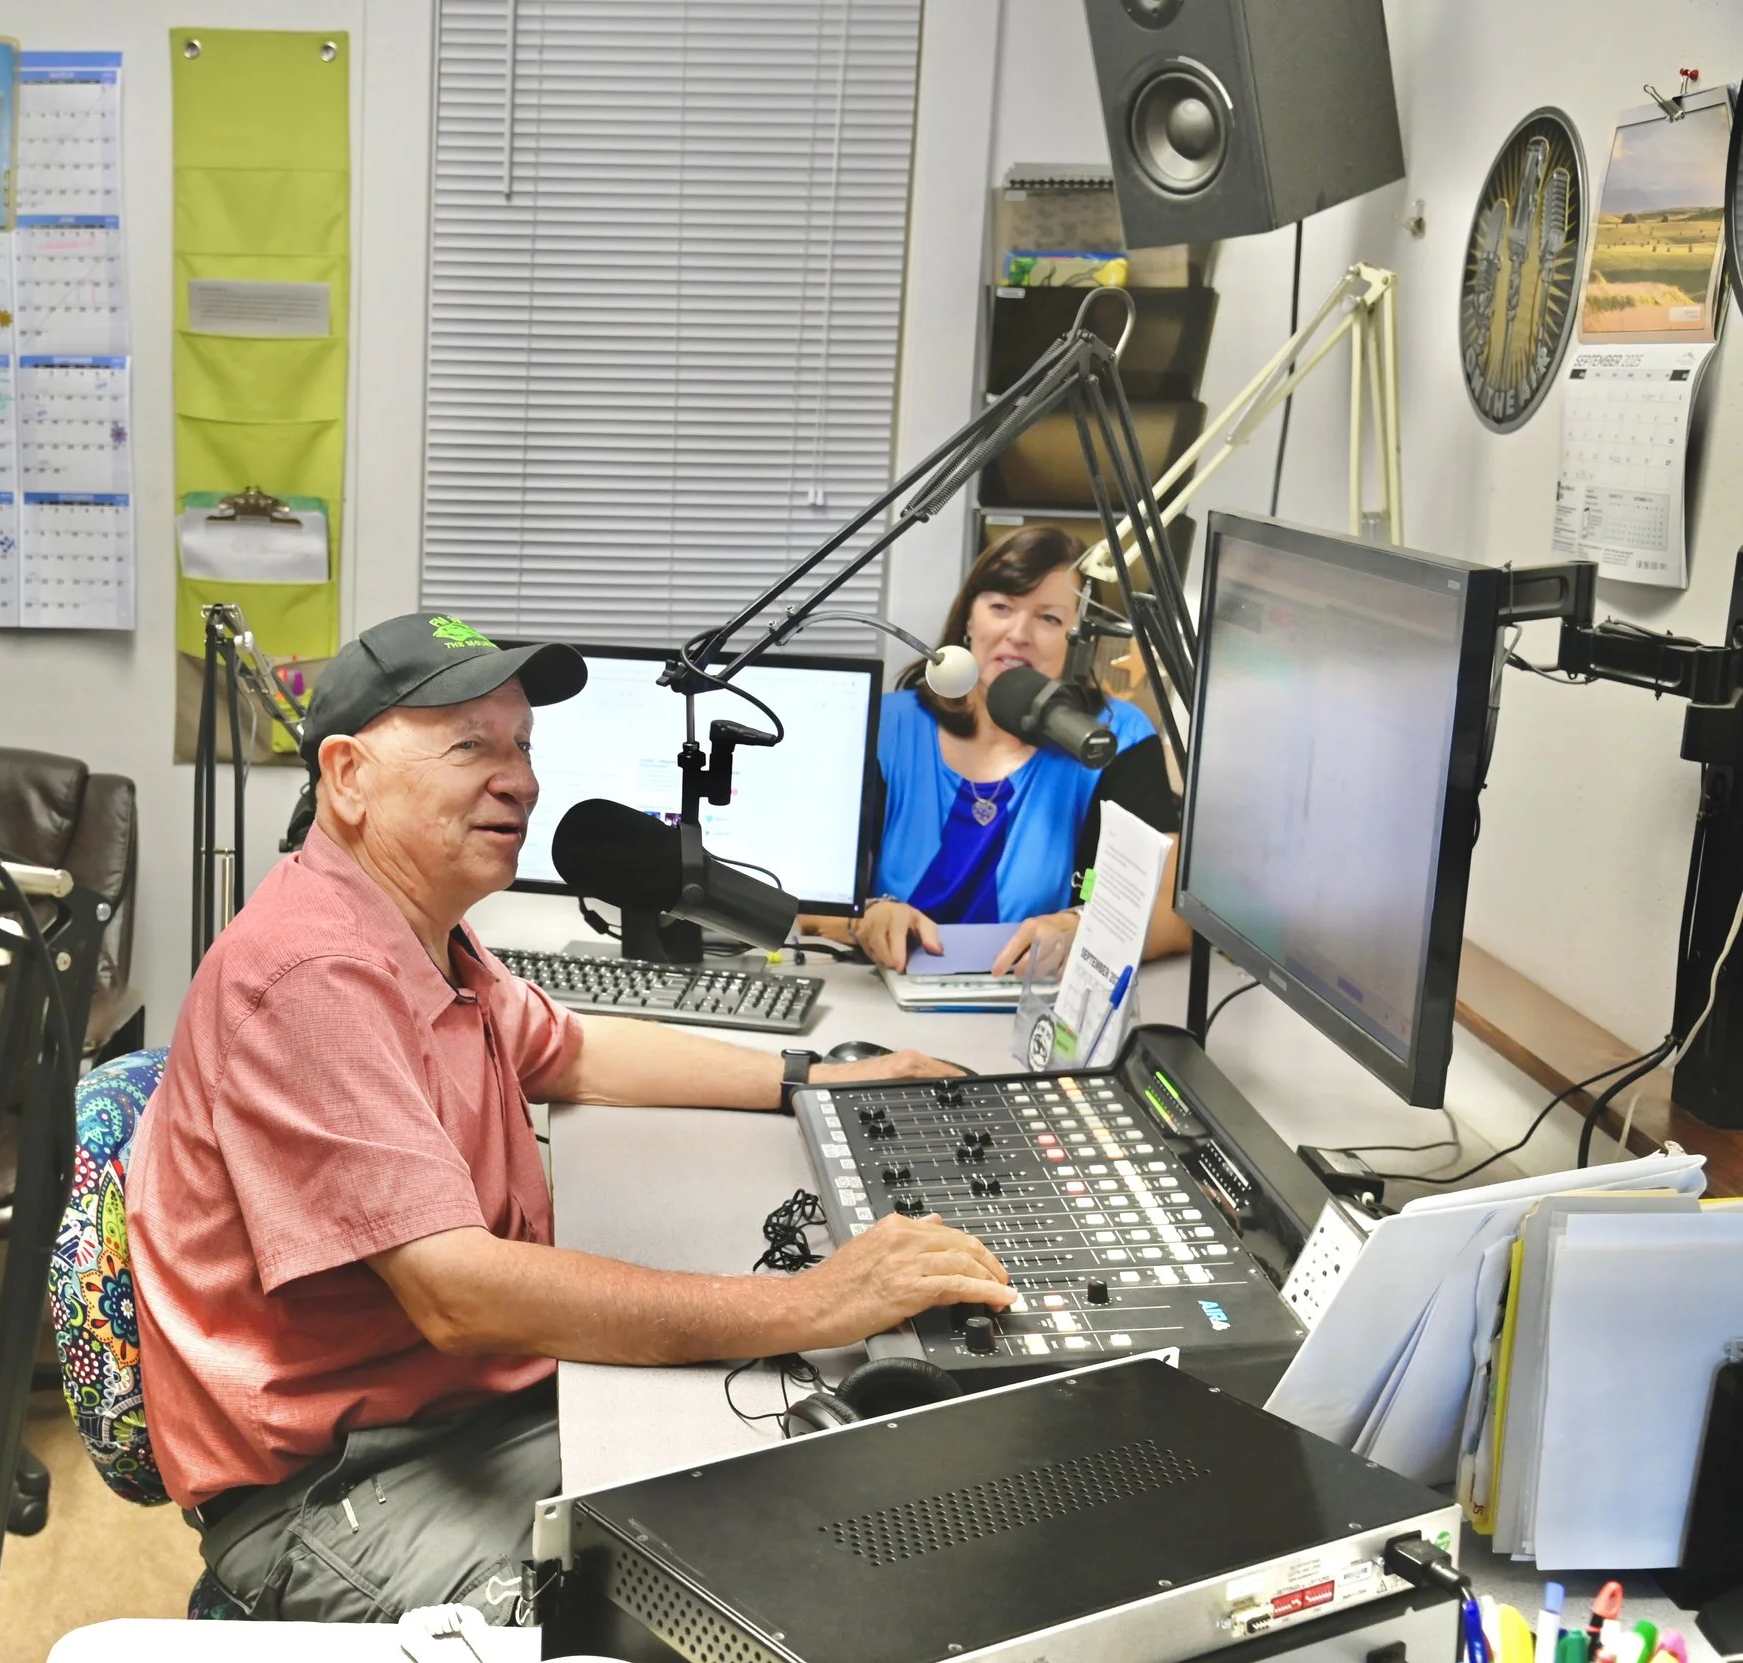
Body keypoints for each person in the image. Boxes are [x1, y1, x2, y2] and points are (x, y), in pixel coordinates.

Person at [125, 612, 1013, 1626]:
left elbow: (573, 1049)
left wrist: (812, 1076)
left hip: (456, 1409)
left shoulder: (417, 929)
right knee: (729, 1608)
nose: (520, 780)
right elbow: (459, 1293)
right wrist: (811, 1302)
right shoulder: (312, 974)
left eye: (524, 745)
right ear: (347, 775)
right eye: (471, 746)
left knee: (787, 1473)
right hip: (334, 1492)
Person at [805, 525, 1189, 975]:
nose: (1018, 633)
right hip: (882, 990)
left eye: (1049, 619)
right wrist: (867, 916)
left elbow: (1171, 917)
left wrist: (1080, 927)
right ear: (969, 618)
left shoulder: (1113, 735)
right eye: (1001, 607)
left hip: (1033, 995)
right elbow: (801, 896)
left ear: (1081, 640)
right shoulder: (884, 724)